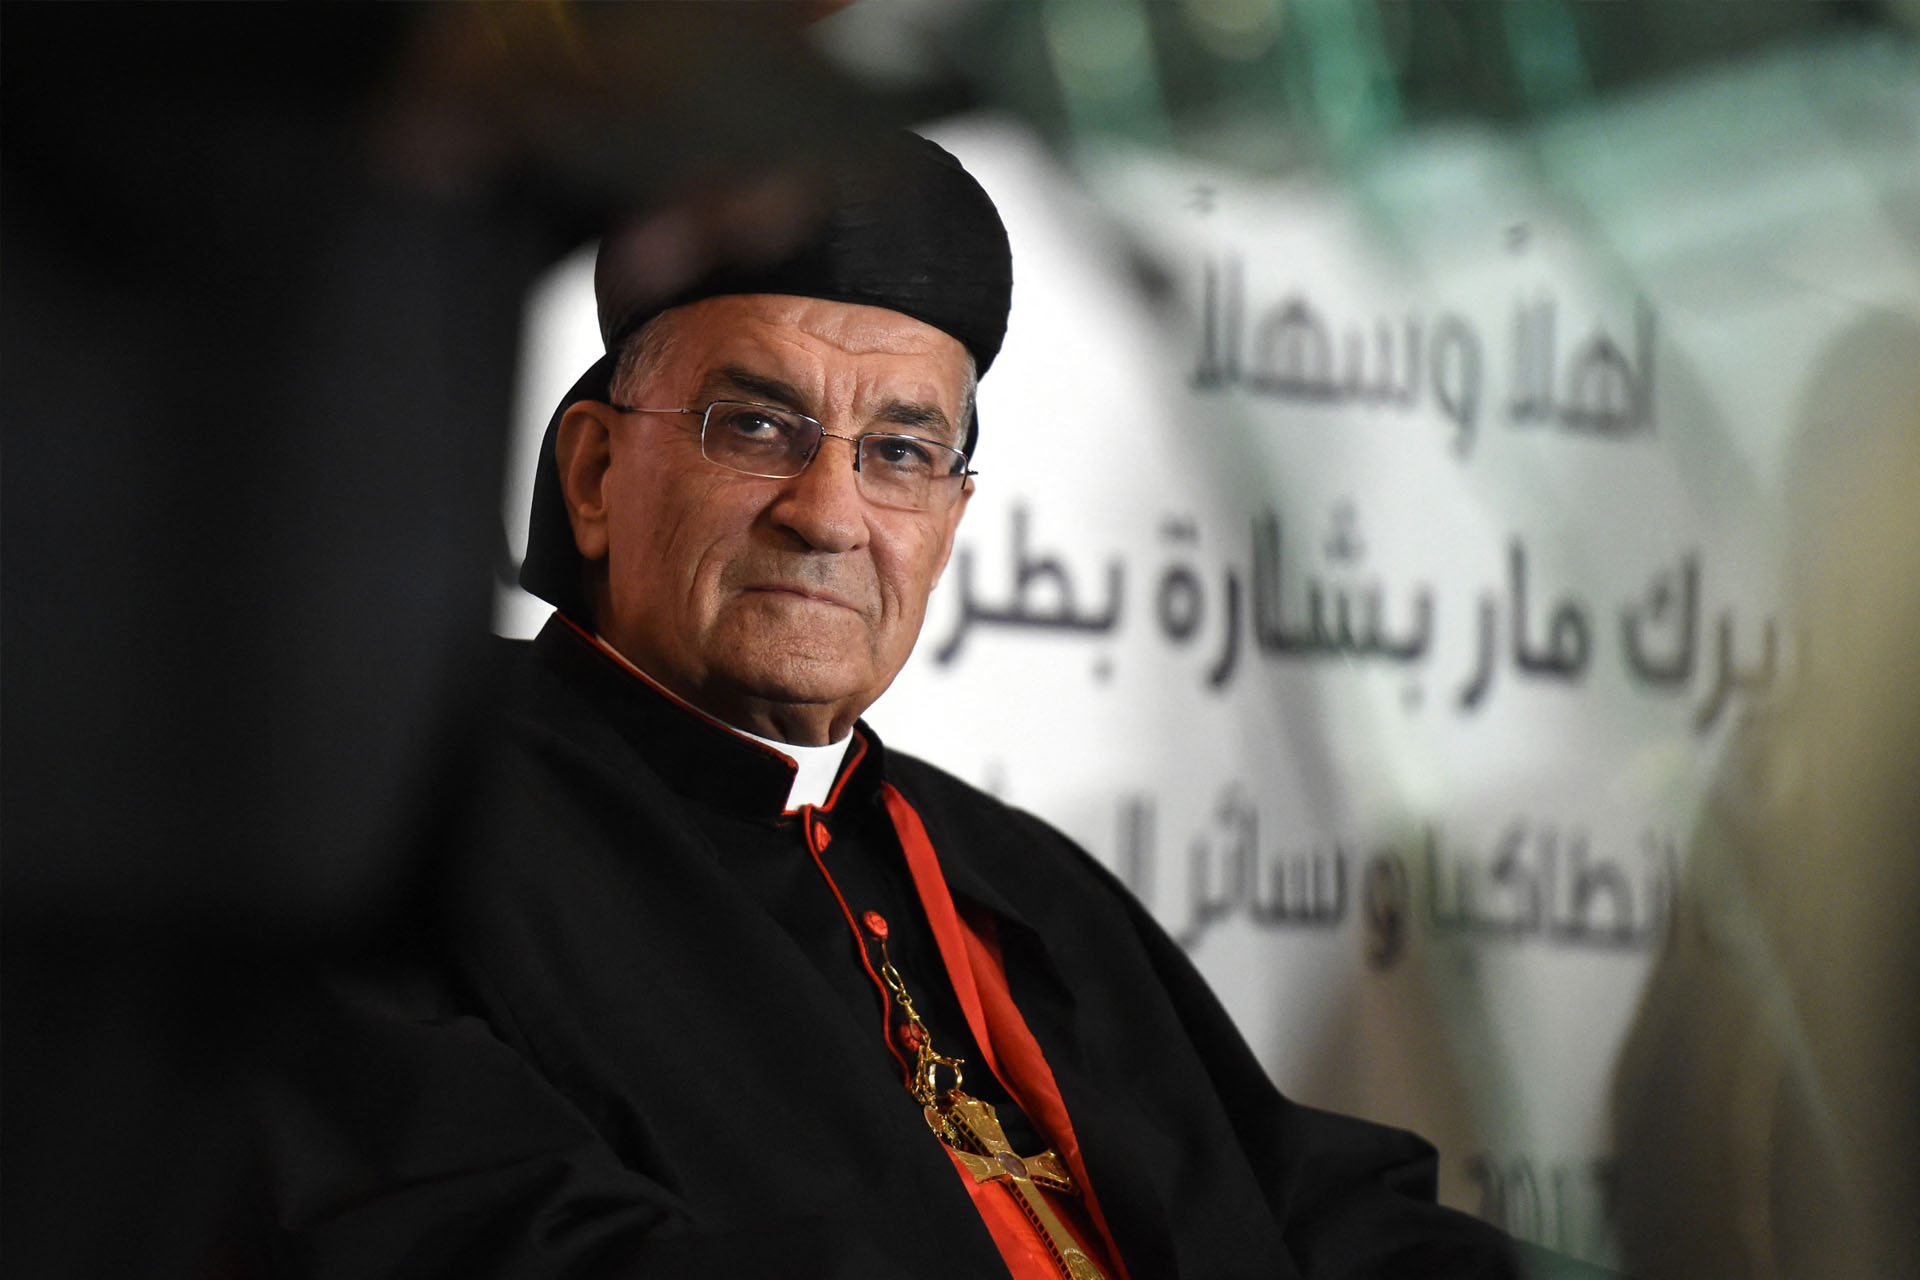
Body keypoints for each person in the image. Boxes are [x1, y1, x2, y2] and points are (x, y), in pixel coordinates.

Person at [257, 134, 1524, 1279]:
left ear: (952, 518)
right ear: (592, 472)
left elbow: (1310, 1205)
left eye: (902, 453)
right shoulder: (399, 808)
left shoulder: (1019, 882)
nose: (828, 514)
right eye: (758, 426)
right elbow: (485, 1233)